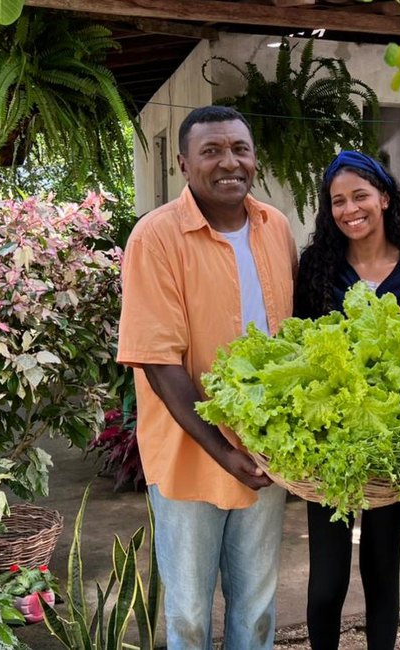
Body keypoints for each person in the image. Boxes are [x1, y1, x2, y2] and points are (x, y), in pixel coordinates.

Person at [117, 105, 297, 650]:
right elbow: (157, 360)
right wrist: (225, 451)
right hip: (192, 454)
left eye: (239, 149)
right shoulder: (156, 237)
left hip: (266, 449)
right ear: (183, 163)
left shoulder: (275, 226)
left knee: (258, 609)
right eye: (211, 151)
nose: (229, 163)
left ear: (255, 158)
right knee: (191, 616)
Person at [294, 150, 400, 650]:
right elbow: (300, 346)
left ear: (384, 197)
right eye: (337, 201)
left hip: (392, 441)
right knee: (327, 579)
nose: (349, 209)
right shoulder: (318, 265)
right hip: (330, 443)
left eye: (360, 196)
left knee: (382, 569)